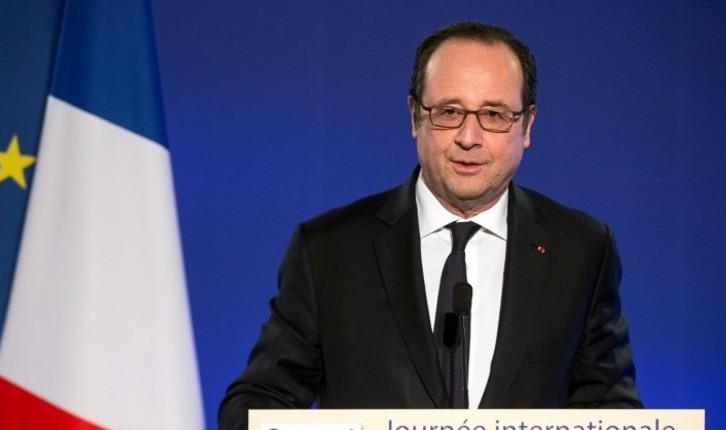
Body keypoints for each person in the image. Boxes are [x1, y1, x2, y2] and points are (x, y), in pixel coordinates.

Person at [218, 21, 642, 429]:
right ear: (415, 116)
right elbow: (257, 402)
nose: (469, 137)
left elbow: (609, 408)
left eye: (494, 115)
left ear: (527, 125)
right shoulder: (329, 251)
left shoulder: (582, 250)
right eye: (449, 112)